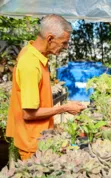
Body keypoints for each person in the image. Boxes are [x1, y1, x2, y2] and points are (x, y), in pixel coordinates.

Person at [6, 14, 86, 160]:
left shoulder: (32, 53)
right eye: (64, 43)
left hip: (39, 139)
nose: (65, 47)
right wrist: (64, 108)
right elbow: (28, 114)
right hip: (32, 144)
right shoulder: (31, 64)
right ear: (50, 38)